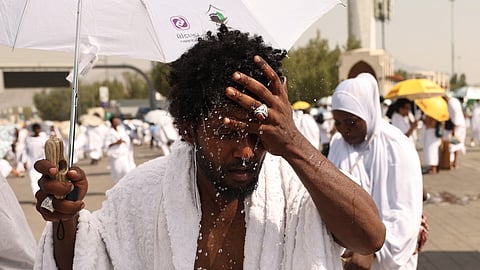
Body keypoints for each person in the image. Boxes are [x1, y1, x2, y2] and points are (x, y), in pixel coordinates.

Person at [33, 26, 385, 270]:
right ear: (188, 127)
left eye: (257, 134)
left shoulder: (296, 193)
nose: (246, 152)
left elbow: (369, 238)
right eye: (227, 133)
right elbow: (86, 259)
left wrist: (293, 143)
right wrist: (66, 219)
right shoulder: (143, 194)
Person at [328, 73, 423, 269]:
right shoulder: (338, 144)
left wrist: (373, 250)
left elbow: (403, 213)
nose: (344, 129)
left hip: (385, 259)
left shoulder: (396, 146)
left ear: (367, 113)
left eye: (351, 122)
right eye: (338, 123)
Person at [104, 115, 136, 183]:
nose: (116, 122)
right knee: (118, 173)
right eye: (115, 121)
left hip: (123, 154)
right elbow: (106, 144)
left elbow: (126, 138)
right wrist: (116, 143)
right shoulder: (109, 132)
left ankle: (126, 187)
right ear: (112, 122)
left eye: (117, 121)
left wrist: (124, 141)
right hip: (115, 156)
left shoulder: (121, 130)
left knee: (127, 171)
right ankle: (118, 188)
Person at [23, 122, 49, 195]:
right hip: (31, 162)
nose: (37, 130)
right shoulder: (28, 139)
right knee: (33, 180)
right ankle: (36, 196)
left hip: (42, 161)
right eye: (35, 129)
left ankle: (43, 195)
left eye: (38, 128)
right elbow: (25, 150)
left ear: (40, 129)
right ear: (33, 130)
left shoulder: (44, 139)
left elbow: (47, 150)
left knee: (43, 179)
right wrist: (24, 161)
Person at [444, 95, 467, 169]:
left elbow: (455, 116)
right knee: (456, 145)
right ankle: (454, 162)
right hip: (460, 125)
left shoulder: (451, 103)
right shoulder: (454, 101)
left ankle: (451, 162)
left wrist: (453, 129)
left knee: (453, 145)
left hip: (456, 126)